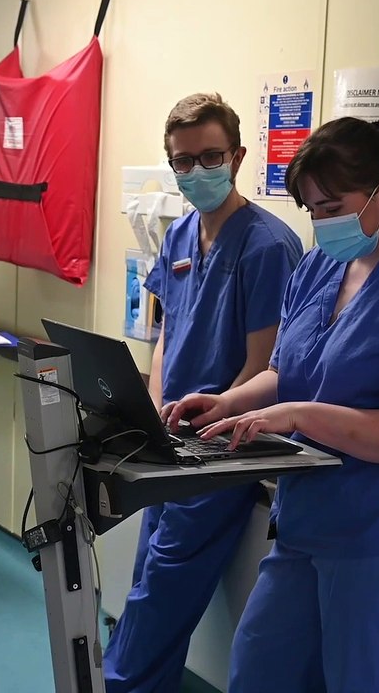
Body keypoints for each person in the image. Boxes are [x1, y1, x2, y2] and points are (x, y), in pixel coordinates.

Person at [163, 116, 379, 693]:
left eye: (332, 206)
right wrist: (225, 403)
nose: (321, 222)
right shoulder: (324, 266)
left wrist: (301, 416)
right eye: (312, 210)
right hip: (313, 523)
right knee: (261, 670)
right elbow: (286, 370)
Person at [103, 93, 302, 693]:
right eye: (181, 162)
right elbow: (168, 332)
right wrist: (155, 413)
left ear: (237, 156)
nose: (195, 172)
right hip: (171, 442)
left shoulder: (268, 246)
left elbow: (262, 365)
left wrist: (203, 433)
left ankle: (121, 684)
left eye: (209, 157)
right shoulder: (182, 234)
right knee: (146, 576)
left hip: (220, 449)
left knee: (161, 586)